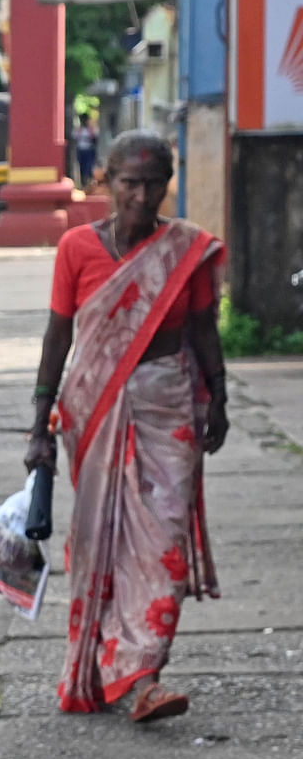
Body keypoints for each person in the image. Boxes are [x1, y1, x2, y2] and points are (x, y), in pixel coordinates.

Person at [25, 130, 227, 722]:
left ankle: (141, 674)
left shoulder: (187, 249)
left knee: (163, 541)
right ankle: (102, 671)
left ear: (171, 183)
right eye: (129, 183)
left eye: (155, 183)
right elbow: (57, 337)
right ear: (106, 182)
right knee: (100, 542)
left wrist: (220, 396)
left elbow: (204, 331)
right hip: (93, 411)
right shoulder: (76, 250)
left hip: (169, 406)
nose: (142, 195)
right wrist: (38, 426)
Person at [74, 113, 99, 188]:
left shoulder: (91, 129)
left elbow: (95, 139)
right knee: (82, 167)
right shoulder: (78, 130)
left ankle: (90, 183)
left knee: (89, 167)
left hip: (89, 150)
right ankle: (83, 184)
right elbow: (75, 139)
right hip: (81, 150)